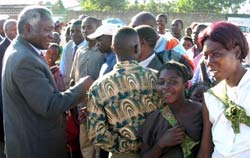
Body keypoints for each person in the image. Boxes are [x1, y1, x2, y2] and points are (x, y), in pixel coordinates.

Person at [2, 6, 93, 158]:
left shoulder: (22, 49)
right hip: (36, 148)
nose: (53, 36)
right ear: (28, 28)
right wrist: (83, 86)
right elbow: (50, 105)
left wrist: (46, 78)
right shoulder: (25, 59)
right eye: (47, 30)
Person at [87, 27, 161, 158]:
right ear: (137, 47)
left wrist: (129, 146)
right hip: (157, 151)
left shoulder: (99, 86)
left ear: (113, 49)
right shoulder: (156, 78)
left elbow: (96, 134)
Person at [198, 22, 250, 158]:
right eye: (205, 56)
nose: (208, 62)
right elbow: (205, 150)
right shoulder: (212, 97)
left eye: (215, 54)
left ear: (237, 52)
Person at [140, 61, 202, 158]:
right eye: (161, 82)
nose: (166, 87)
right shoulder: (154, 119)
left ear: (185, 85)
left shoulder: (201, 112)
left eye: (173, 82)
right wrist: (160, 145)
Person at [70, 16, 104, 158]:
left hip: (97, 105)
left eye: (88, 27)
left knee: (98, 142)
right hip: (81, 103)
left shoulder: (104, 51)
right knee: (85, 141)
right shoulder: (80, 50)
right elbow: (74, 77)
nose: (84, 30)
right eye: (83, 27)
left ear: (98, 28)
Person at [0, 18, 17, 158]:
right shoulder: (1, 48)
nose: (13, 33)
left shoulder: (19, 47)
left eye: (15, 29)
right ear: (4, 31)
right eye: (10, 30)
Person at [60, 19, 88, 88]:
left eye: (78, 31)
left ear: (83, 32)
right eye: (72, 31)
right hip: (67, 88)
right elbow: (62, 69)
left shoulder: (89, 48)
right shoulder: (68, 47)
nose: (74, 34)